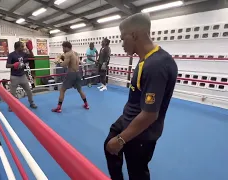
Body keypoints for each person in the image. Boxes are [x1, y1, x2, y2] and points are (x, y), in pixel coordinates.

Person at [104, 13, 178, 180]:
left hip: (143, 132)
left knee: (137, 173)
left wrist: (121, 139)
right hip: (128, 118)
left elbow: (150, 114)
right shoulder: (146, 58)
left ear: (134, 35)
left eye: (123, 38)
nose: (122, 44)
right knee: (109, 148)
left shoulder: (157, 65)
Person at [51, 41, 89, 113]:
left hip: (71, 74)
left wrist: (58, 62)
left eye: (63, 47)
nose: (62, 49)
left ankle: (59, 107)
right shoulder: (75, 53)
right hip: (77, 73)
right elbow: (72, 61)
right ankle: (86, 104)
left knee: (62, 90)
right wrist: (62, 57)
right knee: (80, 90)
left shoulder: (68, 54)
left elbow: (64, 65)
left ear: (66, 47)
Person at [6, 41, 37, 110]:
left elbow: (32, 57)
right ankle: (11, 106)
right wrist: (14, 65)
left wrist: (30, 50)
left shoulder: (24, 54)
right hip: (14, 77)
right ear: (18, 47)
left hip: (23, 76)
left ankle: (31, 103)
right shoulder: (11, 55)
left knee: (29, 90)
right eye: (22, 46)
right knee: (12, 93)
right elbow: (7, 65)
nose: (23, 48)